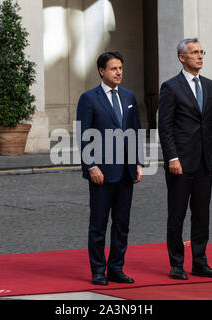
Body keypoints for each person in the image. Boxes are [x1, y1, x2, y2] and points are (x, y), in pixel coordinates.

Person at [158, 38, 212, 280]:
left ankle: (199, 262)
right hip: (180, 163)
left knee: (202, 213)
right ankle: (176, 264)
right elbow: (164, 128)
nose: (200, 56)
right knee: (177, 214)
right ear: (182, 58)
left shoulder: (209, 85)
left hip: (205, 161)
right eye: (194, 53)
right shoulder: (170, 87)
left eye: (201, 52)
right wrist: (172, 157)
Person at [76, 51, 143, 285]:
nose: (118, 72)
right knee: (98, 225)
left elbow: (135, 131)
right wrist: (91, 165)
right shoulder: (89, 98)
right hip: (101, 173)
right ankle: (97, 270)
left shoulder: (129, 97)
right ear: (101, 71)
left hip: (125, 171)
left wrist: (138, 162)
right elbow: (83, 135)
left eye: (121, 68)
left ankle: (116, 268)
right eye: (114, 68)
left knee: (122, 224)